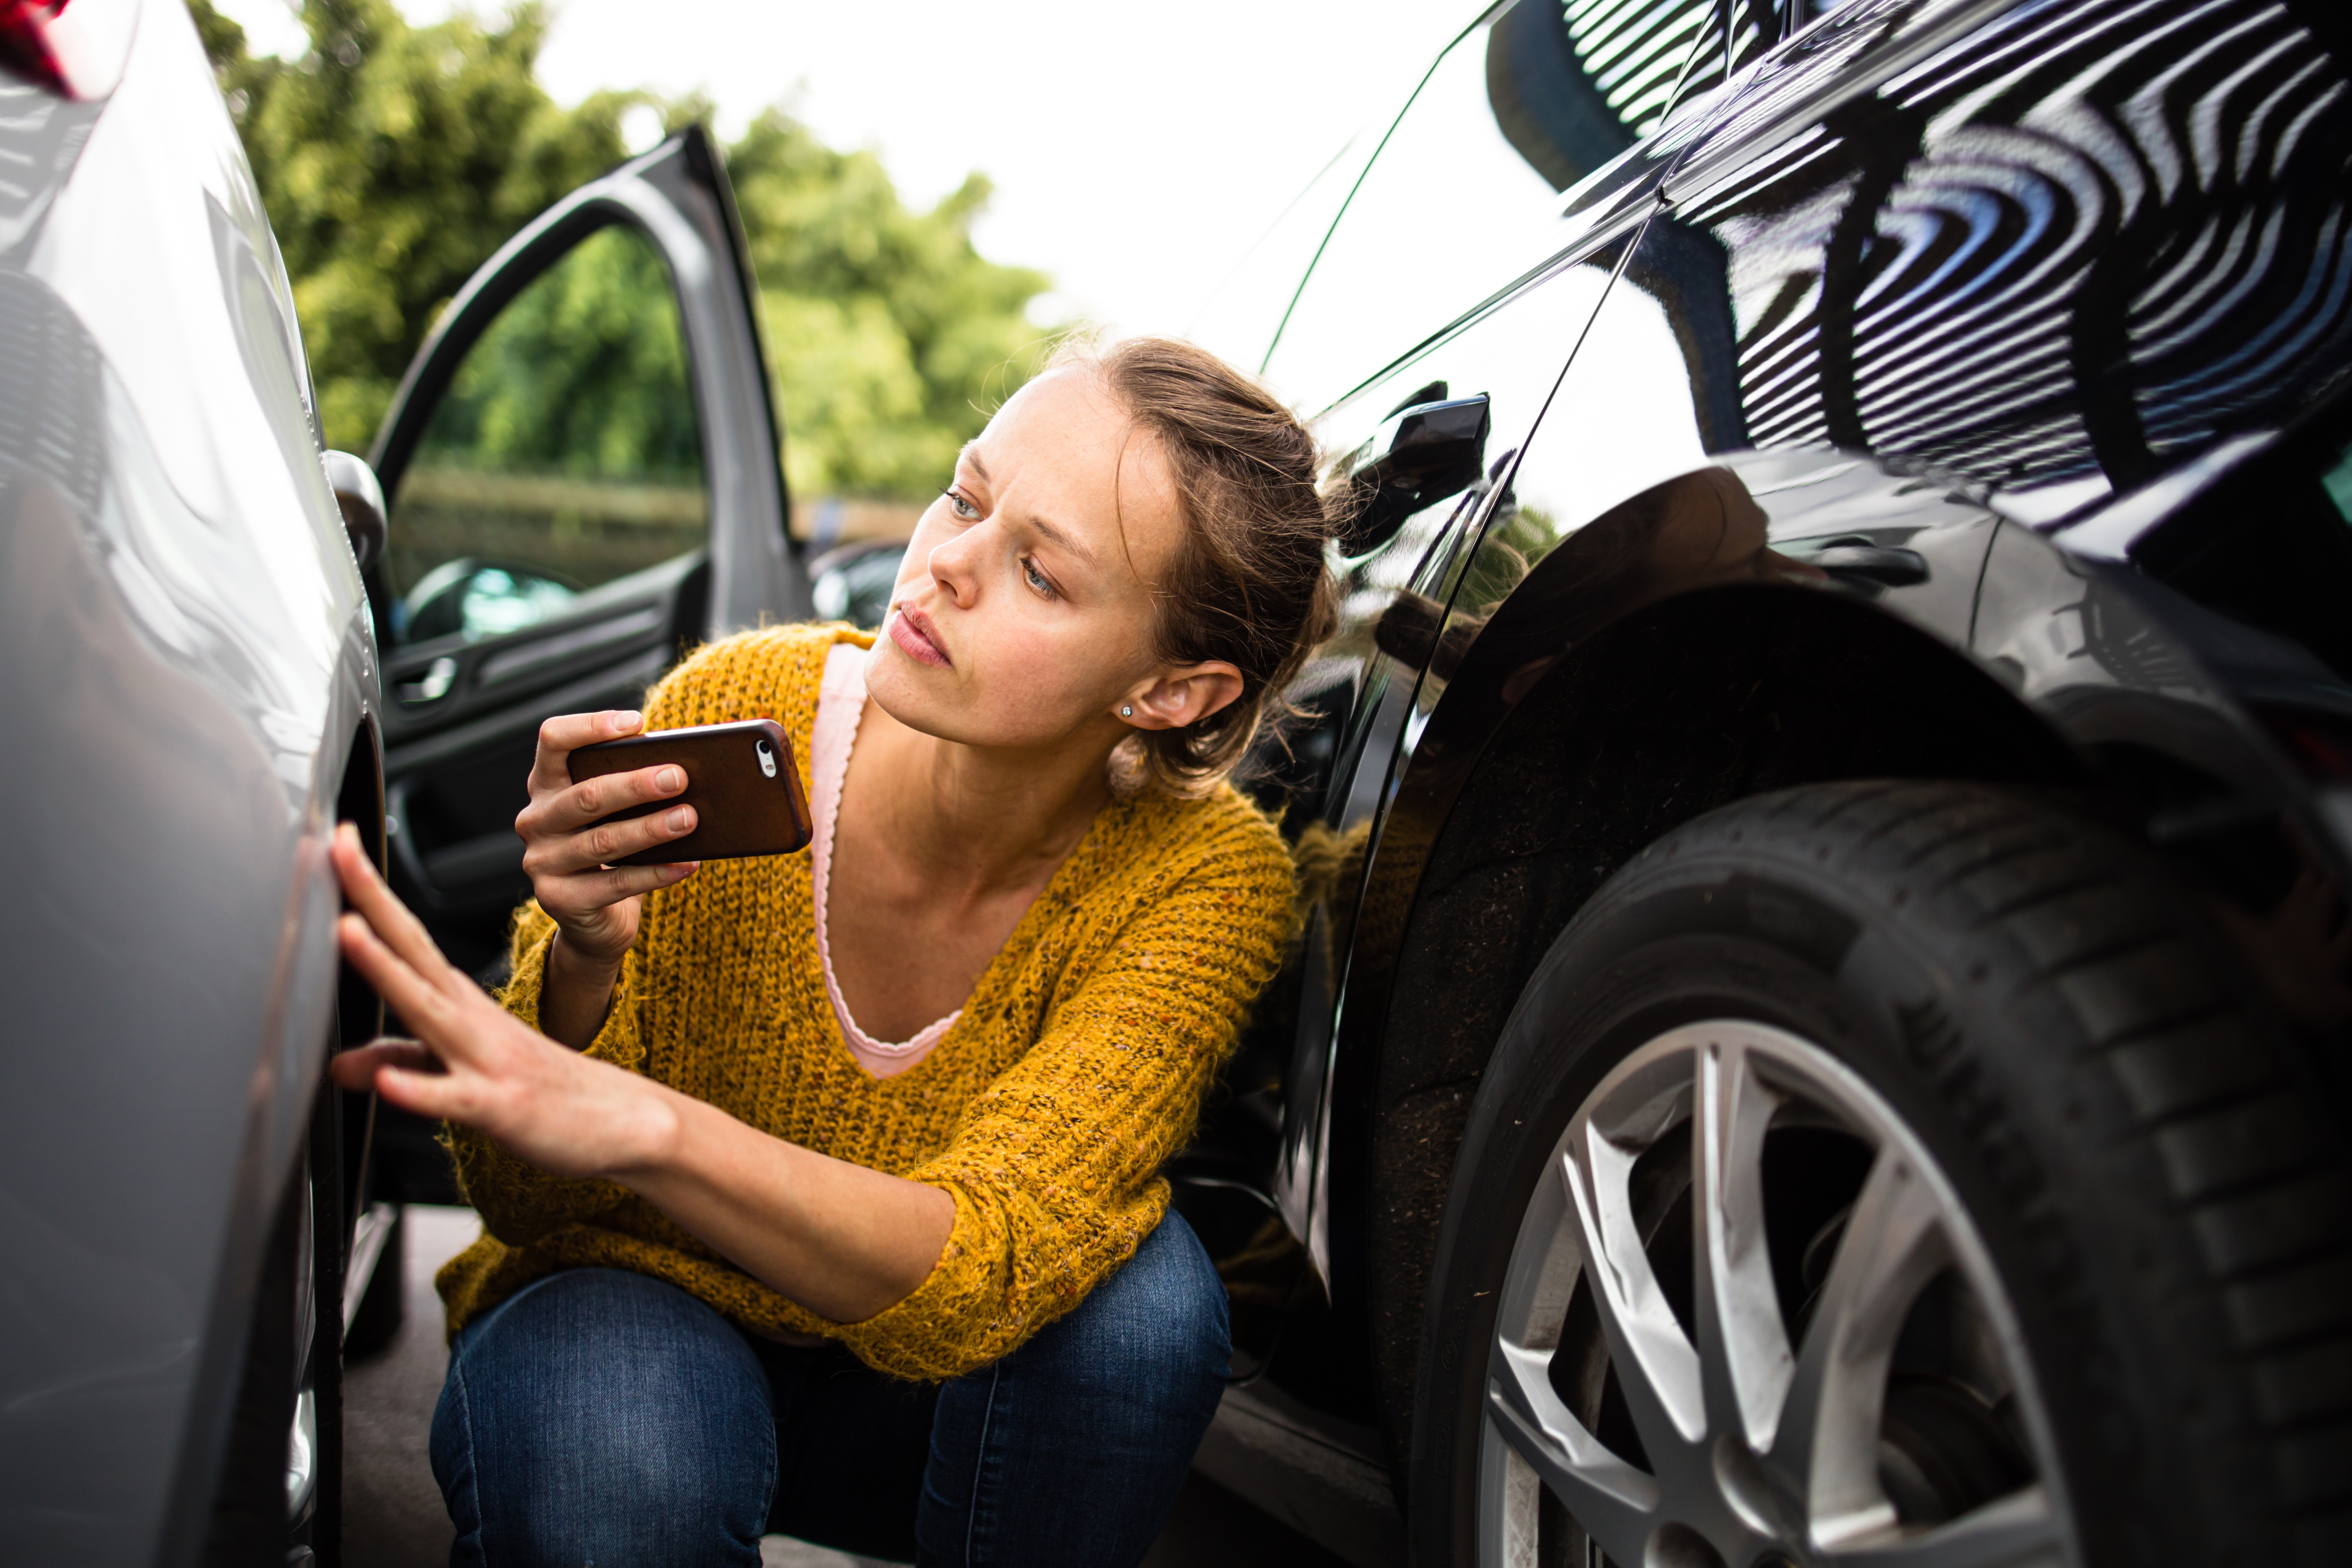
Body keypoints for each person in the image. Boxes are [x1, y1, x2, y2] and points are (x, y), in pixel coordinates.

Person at [325, 337, 1338, 1568]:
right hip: (627, 1311)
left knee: (1150, 1307)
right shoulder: (740, 708)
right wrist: (583, 961)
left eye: (1040, 573)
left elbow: (990, 1263)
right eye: (966, 497)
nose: (946, 565)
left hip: (919, 1400)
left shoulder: (1205, 878)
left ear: (1172, 693)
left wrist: (650, 1124)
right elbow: (524, 1198)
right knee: (617, 1472)